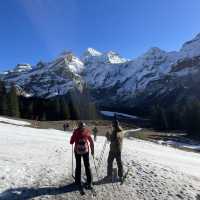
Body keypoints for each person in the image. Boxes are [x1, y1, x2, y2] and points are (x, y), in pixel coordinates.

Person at [70, 121, 94, 188]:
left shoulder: (75, 132)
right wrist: (92, 151)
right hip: (85, 151)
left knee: (78, 166)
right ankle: (89, 182)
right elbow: (91, 141)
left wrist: (73, 138)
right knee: (87, 166)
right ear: (84, 126)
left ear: (78, 126)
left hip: (77, 151)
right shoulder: (87, 131)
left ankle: (77, 181)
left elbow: (71, 142)